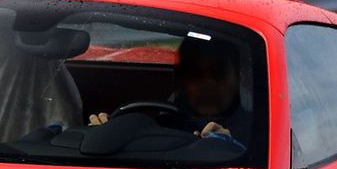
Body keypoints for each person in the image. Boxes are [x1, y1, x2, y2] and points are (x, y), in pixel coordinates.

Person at [89, 35, 252, 143]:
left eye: (217, 72)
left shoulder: (260, 133)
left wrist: (231, 148)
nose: (205, 83)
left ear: (239, 79)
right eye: (193, 73)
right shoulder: (159, 127)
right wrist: (102, 134)